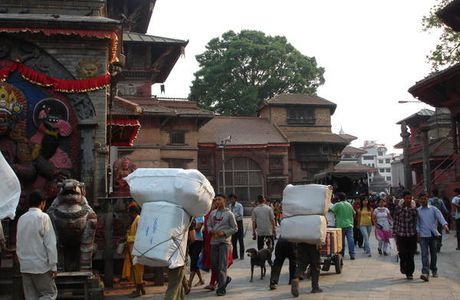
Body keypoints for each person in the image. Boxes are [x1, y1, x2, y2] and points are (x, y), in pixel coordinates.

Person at [16, 190, 58, 300]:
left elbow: (19, 242)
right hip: (40, 266)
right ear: (42, 203)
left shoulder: (22, 218)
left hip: (25, 266)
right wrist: (53, 265)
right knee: (49, 294)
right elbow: (50, 244)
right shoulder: (43, 217)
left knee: (31, 297)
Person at [207, 194, 238, 296]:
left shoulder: (229, 214)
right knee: (214, 265)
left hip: (224, 243)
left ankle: (221, 288)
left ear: (224, 201)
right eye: (216, 200)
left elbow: (234, 228)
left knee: (222, 266)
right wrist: (211, 231)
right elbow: (208, 224)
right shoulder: (212, 213)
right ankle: (225, 279)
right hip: (214, 242)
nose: (217, 201)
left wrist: (224, 233)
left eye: (219, 200)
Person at [416, 192, 449, 282]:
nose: (423, 200)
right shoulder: (418, 211)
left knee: (433, 253)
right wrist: (418, 233)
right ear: (419, 200)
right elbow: (417, 223)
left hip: (433, 234)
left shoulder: (433, 209)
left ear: (428, 199)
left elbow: (440, 217)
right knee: (424, 254)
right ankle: (425, 272)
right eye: (421, 199)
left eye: (425, 198)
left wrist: (445, 225)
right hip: (423, 235)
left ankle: (434, 269)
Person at [165, 217, 196, 299]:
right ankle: (185, 286)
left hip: (168, 253)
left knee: (176, 281)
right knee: (174, 285)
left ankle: (184, 287)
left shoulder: (170, 217)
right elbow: (192, 238)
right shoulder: (188, 218)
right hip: (180, 255)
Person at [393, 190, 418, 280]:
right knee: (402, 253)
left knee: (411, 254)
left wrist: (418, 233)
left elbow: (416, 221)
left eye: (410, 198)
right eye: (407, 198)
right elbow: (395, 220)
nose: (408, 200)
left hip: (412, 234)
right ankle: (403, 264)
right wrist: (394, 232)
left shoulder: (414, 208)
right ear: (403, 198)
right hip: (401, 233)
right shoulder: (398, 208)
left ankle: (410, 272)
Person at [121, 203, 145, 298]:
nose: (129, 215)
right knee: (136, 270)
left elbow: (140, 237)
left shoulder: (138, 220)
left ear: (133, 212)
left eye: (130, 213)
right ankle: (140, 289)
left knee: (137, 271)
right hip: (133, 250)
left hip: (137, 249)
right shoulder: (135, 220)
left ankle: (138, 290)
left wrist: (128, 238)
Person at [331, 193, 356, 260]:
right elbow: (354, 213)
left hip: (340, 225)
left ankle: (341, 253)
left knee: (341, 240)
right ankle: (352, 254)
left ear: (339, 198)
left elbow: (330, 210)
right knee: (350, 240)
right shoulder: (349, 204)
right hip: (349, 225)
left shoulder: (338, 204)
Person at [188, 215, 205, 289]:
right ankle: (201, 280)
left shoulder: (200, 216)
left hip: (198, 241)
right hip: (190, 241)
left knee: (194, 261)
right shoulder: (191, 215)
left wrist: (190, 227)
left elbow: (198, 228)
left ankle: (189, 283)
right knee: (194, 261)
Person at [229, 194, 245, 260]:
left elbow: (241, 216)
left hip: (239, 224)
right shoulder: (229, 206)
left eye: (233, 199)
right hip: (232, 225)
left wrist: (233, 218)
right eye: (231, 199)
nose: (231, 200)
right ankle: (235, 255)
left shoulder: (239, 206)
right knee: (233, 241)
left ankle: (242, 255)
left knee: (241, 240)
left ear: (235, 199)